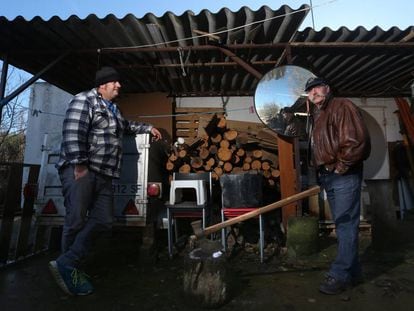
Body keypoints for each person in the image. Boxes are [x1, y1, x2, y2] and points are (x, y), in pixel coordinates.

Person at [48, 66, 162, 296]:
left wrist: (148, 127)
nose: (118, 85)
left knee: (104, 220)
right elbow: (73, 131)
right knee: (76, 220)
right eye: (114, 82)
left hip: (105, 174)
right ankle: (70, 272)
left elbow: (126, 126)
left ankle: (67, 262)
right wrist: (79, 165)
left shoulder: (113, 110)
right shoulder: (84, 100)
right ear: (102, 85)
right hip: (84, 171)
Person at [304, 76, 371, 295]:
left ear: (327, 88)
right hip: (330, 174)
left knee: (345, 224)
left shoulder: (342, 106)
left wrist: (340, 168)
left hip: (343, 173)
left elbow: (355, 142)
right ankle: (354, 273)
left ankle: (340, 274)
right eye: (309, 91)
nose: (313, 92)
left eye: (316, 88)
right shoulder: (319, 113)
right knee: (343, 225)